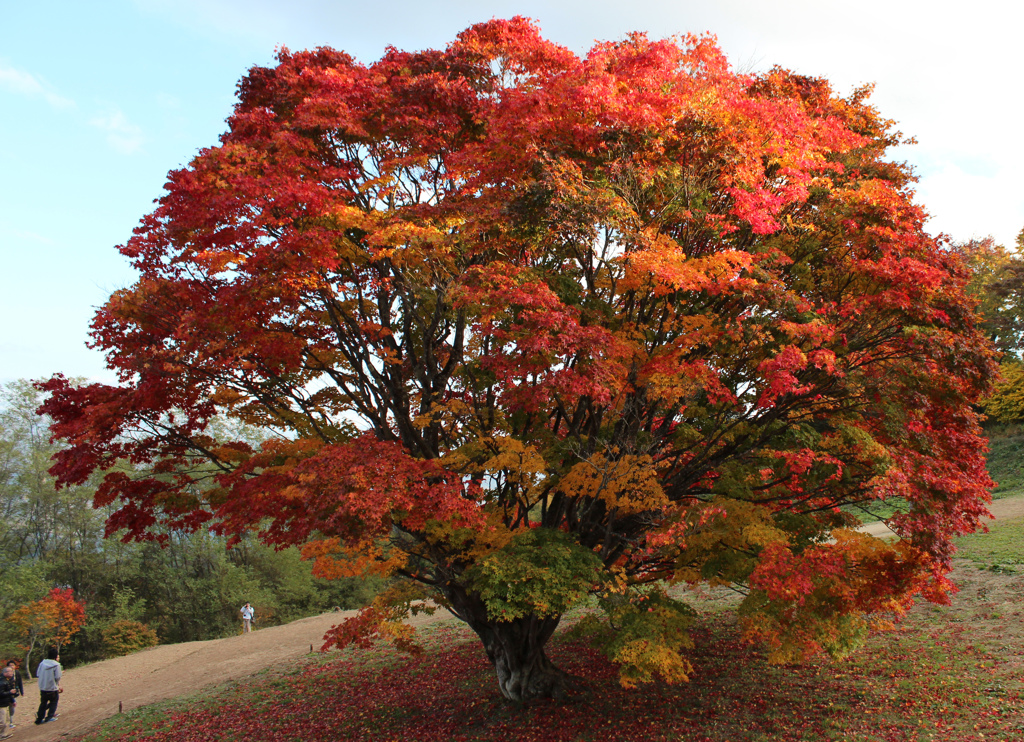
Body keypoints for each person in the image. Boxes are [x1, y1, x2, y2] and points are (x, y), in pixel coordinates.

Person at [34, 648, 62, 725]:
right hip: (52, 687)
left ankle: (39, 719)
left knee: (43, 702)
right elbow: (57, 677)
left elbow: (38, 674)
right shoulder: (56, 665)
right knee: (54, 701)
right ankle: (49, 717)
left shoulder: (42, 663)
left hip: (43, 686)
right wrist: (57, 684)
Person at [4, 662, 22, 728]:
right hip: (5, 697)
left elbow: (19, 682)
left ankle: (10, 722)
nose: (11, 667)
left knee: (12, 708)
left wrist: (21, 691)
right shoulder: (3, 680)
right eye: (10, 666)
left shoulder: (17, 673)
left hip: (12, 695)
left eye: (13, 665)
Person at [0, 666, 17, 739]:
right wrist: (10, 692)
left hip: (5, 703)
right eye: (10, 671)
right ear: (4, 673)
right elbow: (1, 693)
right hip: (1, 704)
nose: (12, 672)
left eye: (12, 671)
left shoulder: (7, 681)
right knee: (2, 721)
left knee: (6, 720)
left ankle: (4, 734)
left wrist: (12, 700)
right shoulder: (2, 682)